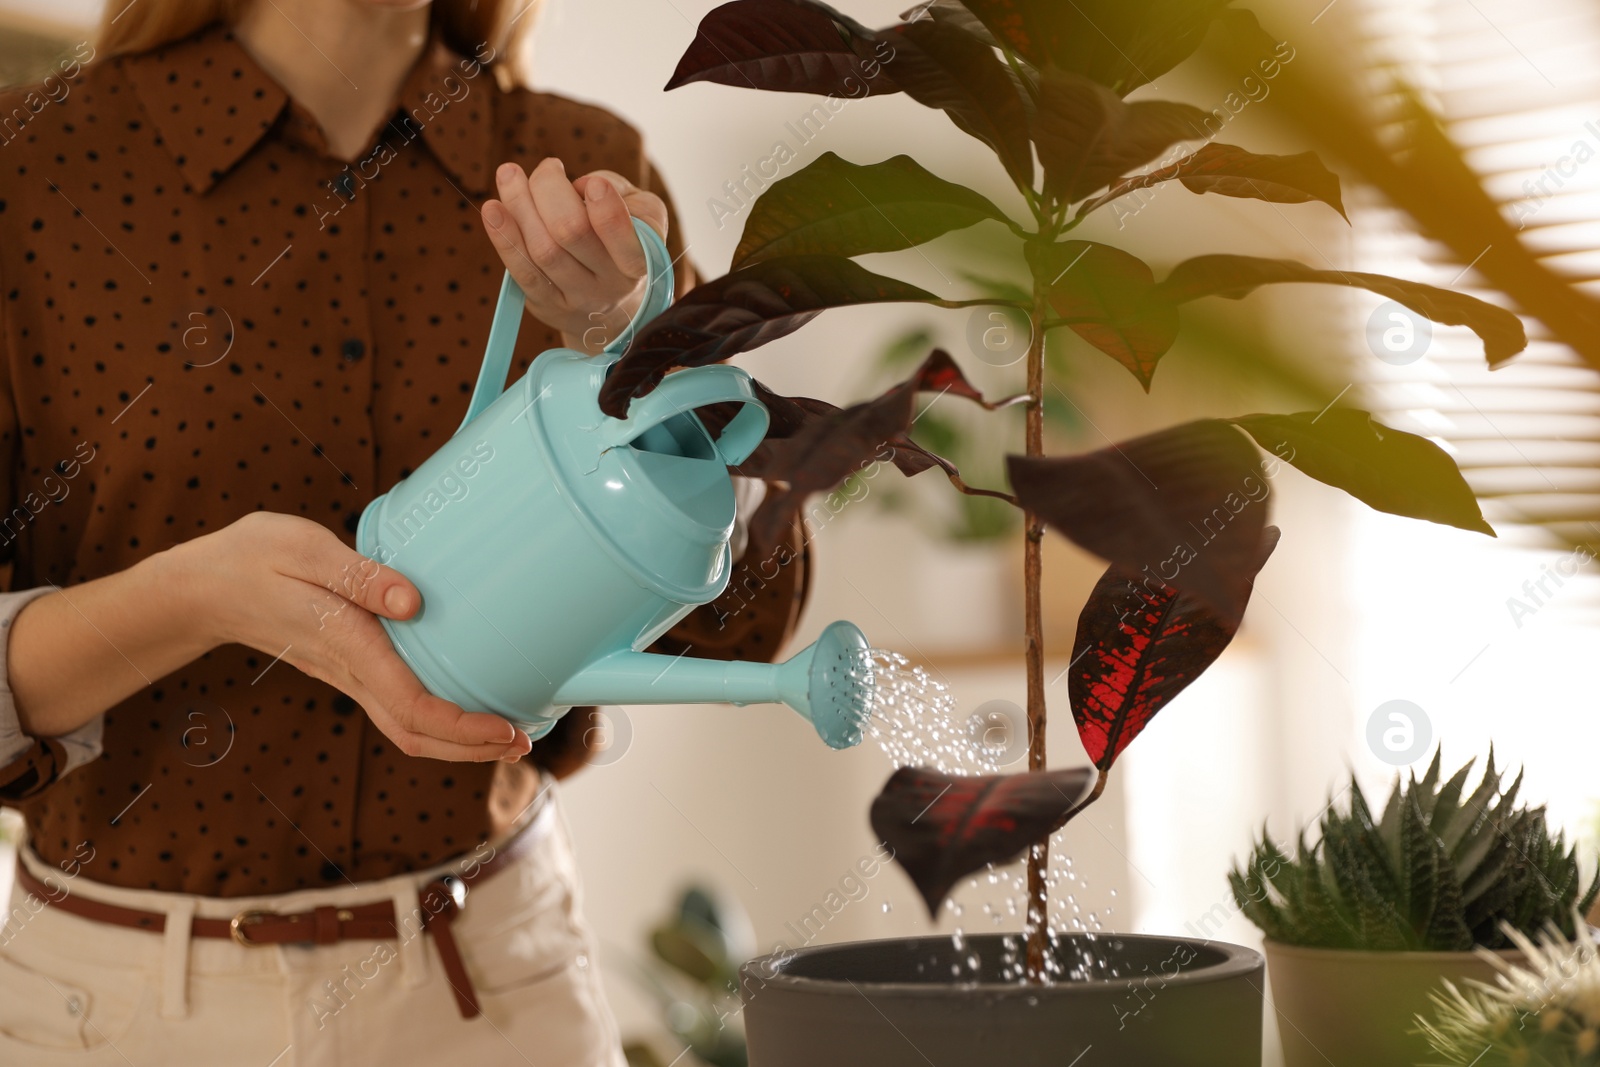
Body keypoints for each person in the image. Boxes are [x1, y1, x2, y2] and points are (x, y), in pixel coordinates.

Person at [0, 1, 807, 1062]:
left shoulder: (588, 177)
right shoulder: (34, 170)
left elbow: (740, 632)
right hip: (116, 1015)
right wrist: (197, 597)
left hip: (499, 991)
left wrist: (645, 352)